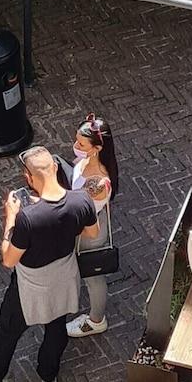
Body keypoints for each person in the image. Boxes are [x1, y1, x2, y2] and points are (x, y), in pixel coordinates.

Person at [0, 146, 97, 382]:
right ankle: (48, 375)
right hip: (65, 277)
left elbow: (8, 260)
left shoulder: (27, 218)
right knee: (56, 325)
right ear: (55, 168)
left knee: (9, 328)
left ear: (28, 177)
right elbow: (92, 233)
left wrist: (10, 218)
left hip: (31, 286)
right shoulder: (82, 200)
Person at [66, 114, 119, 339]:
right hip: (82, 227)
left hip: (88, 233)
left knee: (93, 276)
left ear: (96, 148)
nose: (75, 146)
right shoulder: (86, 161)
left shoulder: (97, 184)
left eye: (81, 143)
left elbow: (80, 208)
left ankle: (96, 320)